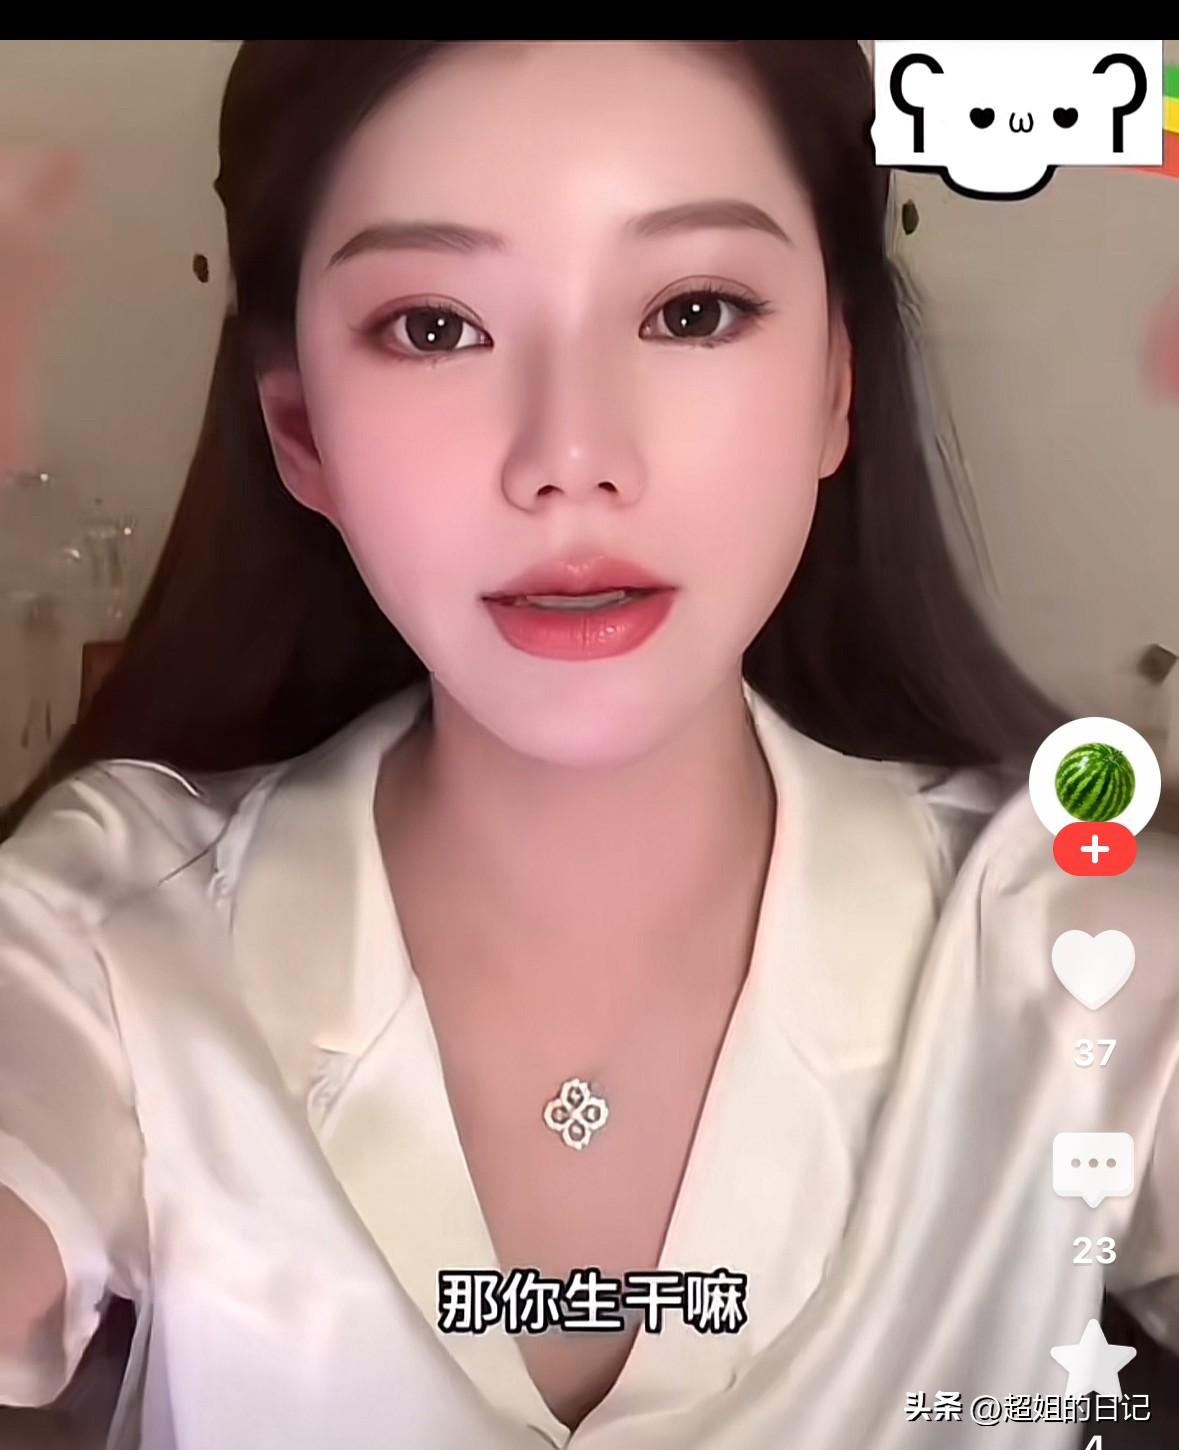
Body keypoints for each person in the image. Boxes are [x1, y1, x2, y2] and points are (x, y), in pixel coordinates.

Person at [0, 39, 1176, 1450]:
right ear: (300, 427)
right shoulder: (111, 930)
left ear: (835, 387)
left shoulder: (1084, 946)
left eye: (692, 311)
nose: (571, 457)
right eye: (433, 327)